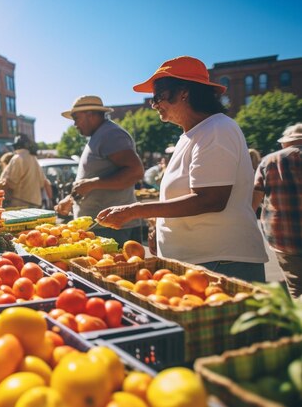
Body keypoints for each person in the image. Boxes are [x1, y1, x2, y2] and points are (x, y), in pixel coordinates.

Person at [97, 56, 268, 282]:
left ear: (184, 92)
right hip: (202, 262)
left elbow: (211, 199)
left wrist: (135, 211)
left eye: (158, 96)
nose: (154, 104)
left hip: (222, 264)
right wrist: (157, 222)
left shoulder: (216, 129)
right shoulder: (191, 134)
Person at [55, 95, 144, 245]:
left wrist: (92, 184)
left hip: (111, 228)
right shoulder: (100, 135)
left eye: (76, 118)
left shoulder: (110, 134)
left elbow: (135, 172)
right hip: (102, 227)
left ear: (90, 114)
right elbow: (92, 180)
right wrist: (71, 199)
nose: (75, 124)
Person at [253, 123, 302, 296]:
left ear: (287, 142)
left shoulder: (270, 160)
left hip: (284, 235)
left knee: (296, 286)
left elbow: (254, 200)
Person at [0, 134, 49, 208]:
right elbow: (42, 182)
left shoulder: (17, 158)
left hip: (21, 203)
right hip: (36, 202)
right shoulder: (34, 158)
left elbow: (11, 183)